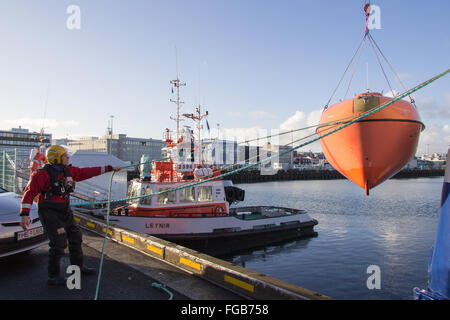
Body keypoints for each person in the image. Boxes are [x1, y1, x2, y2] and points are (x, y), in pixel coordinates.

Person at [19, 145, 121, 285]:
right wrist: (24, 214)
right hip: (49, 212)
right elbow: (29, 192)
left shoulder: (69, 171)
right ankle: (53, 276)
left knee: (75, 237)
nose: (68, 157)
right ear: (57, 158)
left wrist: (109, 168)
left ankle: (77, 268)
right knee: (59, 242)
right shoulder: (41, 174)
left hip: (64, 209)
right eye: (65, 155)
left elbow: (87, 172)